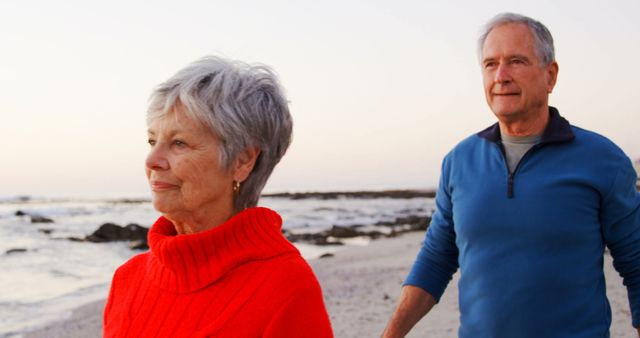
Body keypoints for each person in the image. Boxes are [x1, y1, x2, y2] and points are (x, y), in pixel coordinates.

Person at [382, 12, 640, 338]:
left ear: (551, 75)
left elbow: (636, 264)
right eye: (490, 64)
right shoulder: (459, 161)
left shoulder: (603, 160)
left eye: (516, 61)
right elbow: (436, 260)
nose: (501, 76)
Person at [103, 56, 333, 337]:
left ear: (242, 161)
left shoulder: (286, 287)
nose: (152, 160)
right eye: (152, 141)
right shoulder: (127, 279)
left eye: (179, 143)